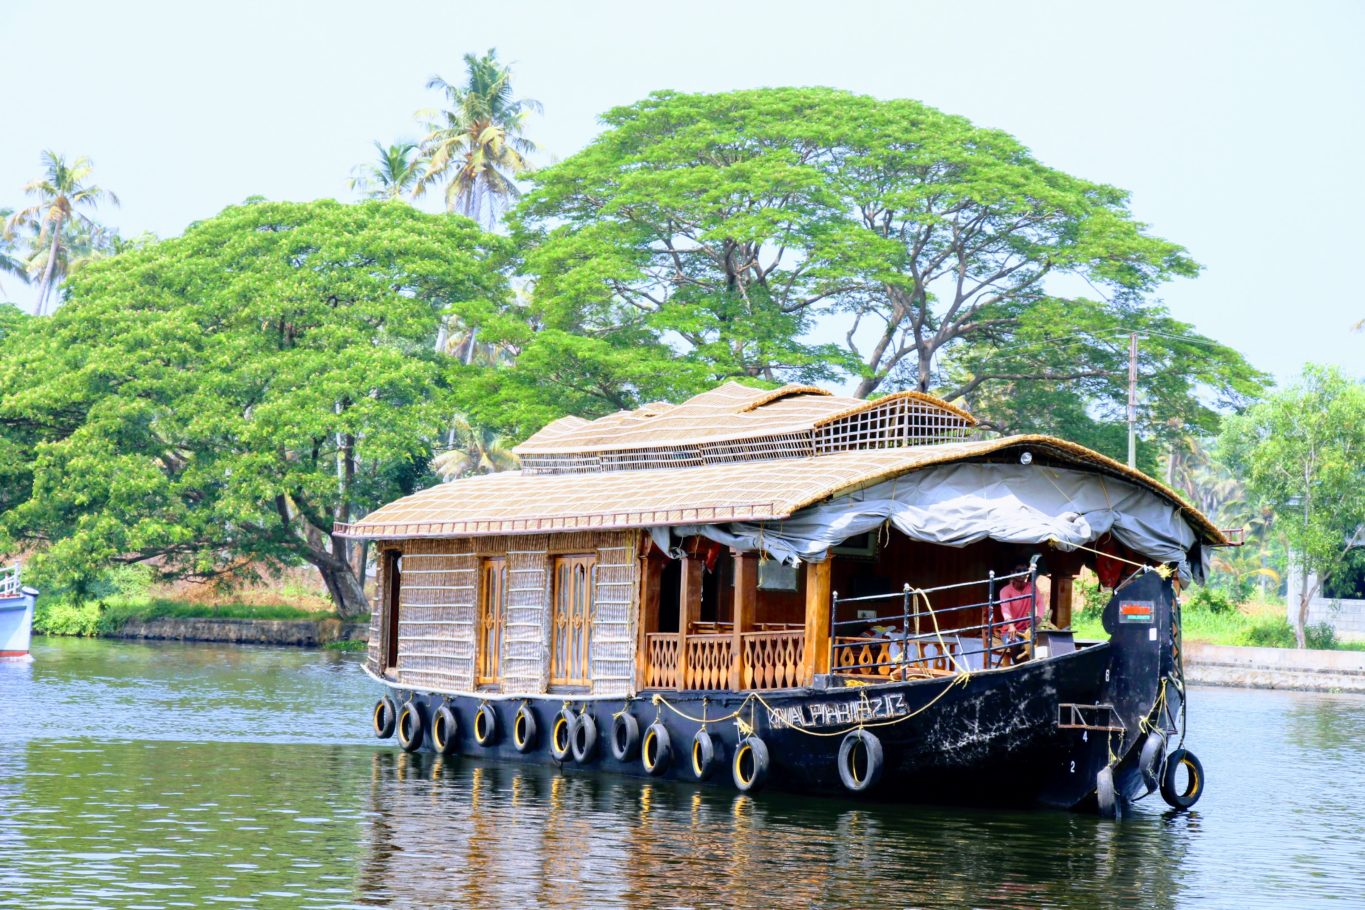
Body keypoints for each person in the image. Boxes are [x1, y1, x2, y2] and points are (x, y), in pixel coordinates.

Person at [997, 562, 1043, 639]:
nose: (1022, 573)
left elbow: (1040, 602)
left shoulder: (1032, 587)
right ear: (1012, 573)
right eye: (1018, 571)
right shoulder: (1005, 591)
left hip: (1027, 630)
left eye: (1024, 570)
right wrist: (1011, 626)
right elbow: (1005, 609)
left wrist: (1039, 616)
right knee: (1014, 644)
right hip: (1010, 630)